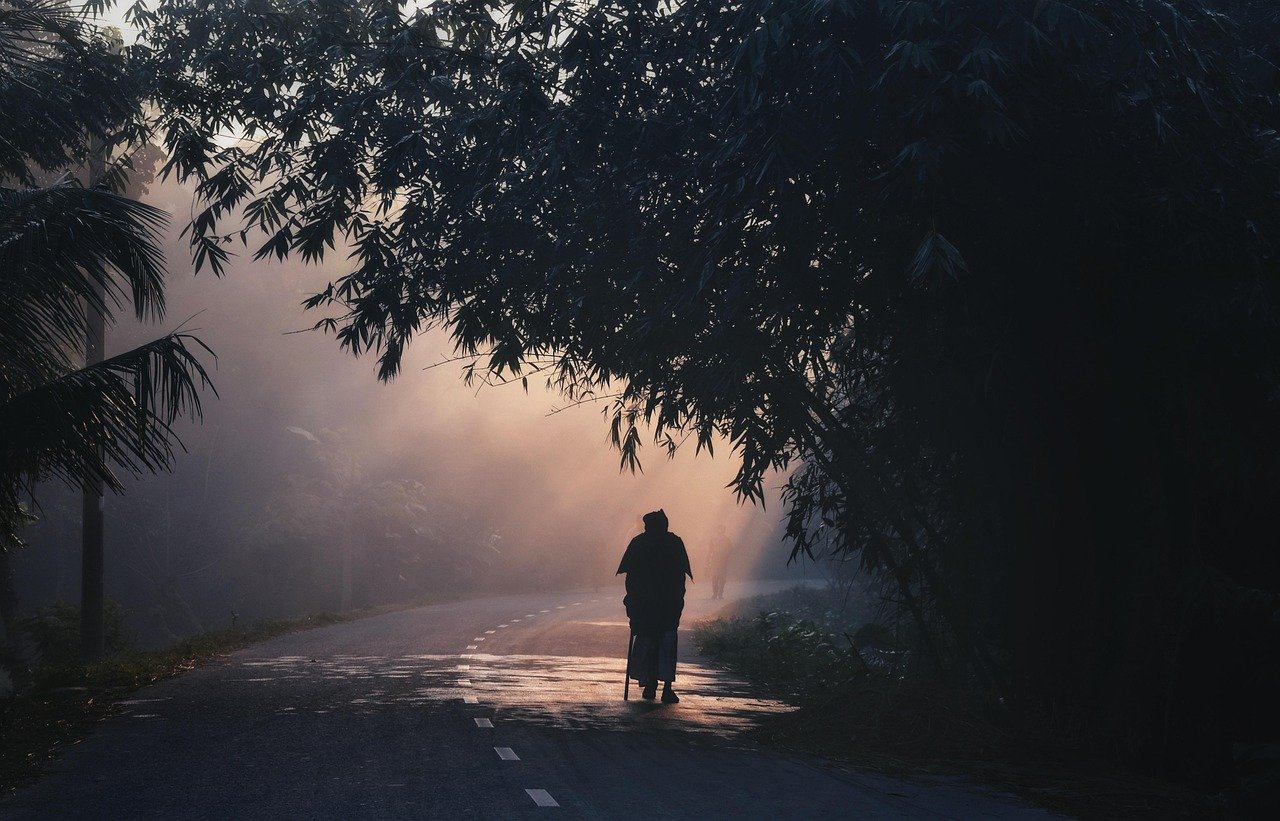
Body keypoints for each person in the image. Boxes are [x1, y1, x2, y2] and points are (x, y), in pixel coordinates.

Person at [617, 509, 692, 703]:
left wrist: (632, 601)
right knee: (666, 644)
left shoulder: (639, 544)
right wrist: (677, 600)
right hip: (667, 605)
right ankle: (666, 688)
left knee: (648, 641)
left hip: (646, 606)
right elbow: (680, 577)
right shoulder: (674, 543)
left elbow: (630, 578)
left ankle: (650, 685)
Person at [707, 523, 734, 600]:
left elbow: (730, 550)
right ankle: (715, 593)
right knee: (714, 578)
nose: (720, 530)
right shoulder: (713, 540)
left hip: (723, 562)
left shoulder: (727, 540)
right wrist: (709, 560)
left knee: (722, 579)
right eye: (719, 529)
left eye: (722, 529)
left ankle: (720, 594)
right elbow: (710, 551)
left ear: (724, 530)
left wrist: (725, 556)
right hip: (715, 561)